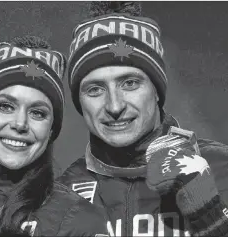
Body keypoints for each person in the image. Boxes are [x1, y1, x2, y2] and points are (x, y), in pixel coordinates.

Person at [58, 2, 228, 237]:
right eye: (95, 89)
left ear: (157, 91)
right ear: (79, 101)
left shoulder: (222, 168)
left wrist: (211, 216)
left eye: (130, 83)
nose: (114, 106)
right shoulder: (60, 194)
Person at [0, 35, 108, 237]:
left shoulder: (79, 220)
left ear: (50, 130)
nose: (20, 124)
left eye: (37, 113)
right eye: (6, 106)